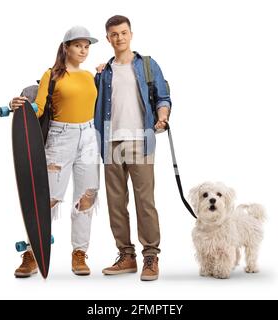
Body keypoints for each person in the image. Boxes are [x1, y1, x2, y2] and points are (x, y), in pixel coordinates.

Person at [9, 26, 100, 278]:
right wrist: (20, 106)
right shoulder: (52, 75)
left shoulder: (90, 76)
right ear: (66, 47)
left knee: (87, 196)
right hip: (61, 138)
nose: (83, 50)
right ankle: (31, 251)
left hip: (89, 137)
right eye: (78, 45)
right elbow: (38, 108)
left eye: (87, 46)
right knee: (47, 198)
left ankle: (79, 253)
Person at [94, 15, 171, 281]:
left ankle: (150, 255)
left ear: (131, 34)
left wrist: (163, 116)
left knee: (145, 201)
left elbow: (163, 97)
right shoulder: (103, 73)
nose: (119, 38)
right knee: (116, 203)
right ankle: (126, 256)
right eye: (114, 34)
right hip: (111, 141)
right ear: (108, 38)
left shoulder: (147, 65)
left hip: (141, 140)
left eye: (123, 32)